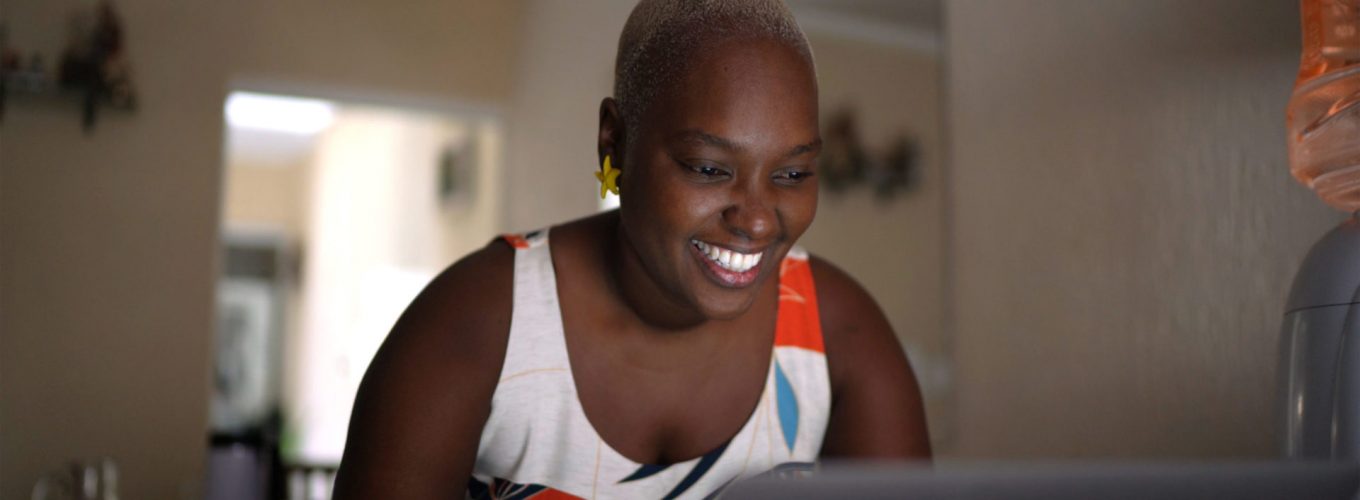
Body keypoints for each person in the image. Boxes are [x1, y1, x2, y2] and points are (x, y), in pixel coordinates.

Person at [332, 0, 930, 498]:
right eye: (708, 168)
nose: (755, 219)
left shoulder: (839, 335)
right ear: (614, 145)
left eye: (794, 174)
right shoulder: (475, 324)